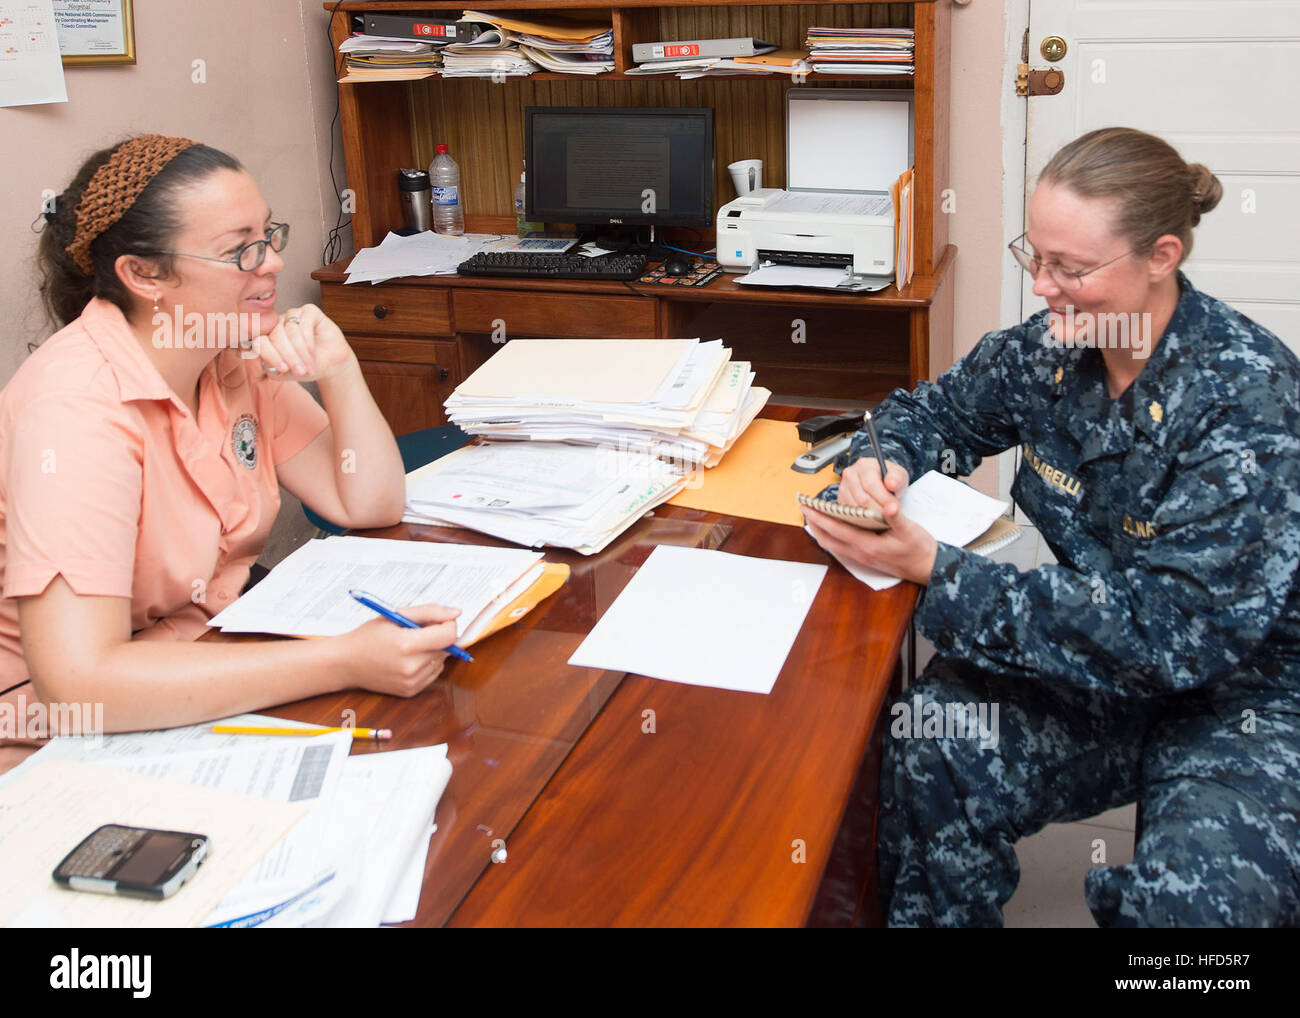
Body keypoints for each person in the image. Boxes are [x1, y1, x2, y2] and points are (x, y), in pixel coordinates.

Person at [801, 127, 1300, 927]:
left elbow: (1171, 638)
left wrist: (940, 570)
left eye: (1069, 268)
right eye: (1033, 257)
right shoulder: (1052, 351)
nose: (1041, 287)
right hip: (1094, 662)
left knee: (1205, 910)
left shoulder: (1248, 401)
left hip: (1241, 695)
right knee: (933, 741)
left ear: (1161, 256)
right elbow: (935, 411)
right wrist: (883, 460)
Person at [0, 135, 460, 766]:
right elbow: (79, 685)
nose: (270, 263)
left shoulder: (230, 352)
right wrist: (343, 659)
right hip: (62, 742)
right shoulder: (75, 410)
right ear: (144, 274)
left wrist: (340, 366)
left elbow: (369, 501)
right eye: (240, 250)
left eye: (270, 236)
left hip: (211, 662)